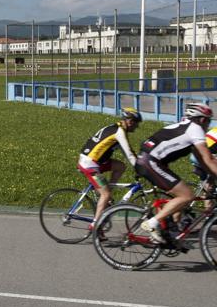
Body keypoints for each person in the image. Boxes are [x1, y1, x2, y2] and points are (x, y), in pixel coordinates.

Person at [136, 103, 217, 243]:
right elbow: (209, 159)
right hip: (150, 162)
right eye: (209, 121)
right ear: (202, 120)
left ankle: (169, 232)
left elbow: (203, 160)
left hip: (150, 161)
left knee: (182, 193)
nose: (208, 125)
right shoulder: (195, 129)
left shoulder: (187, 127)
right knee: (187, 195)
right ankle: (152, 223)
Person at [78, 107, 142, 232]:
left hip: (94, 160)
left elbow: (127, 153)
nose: (137, 127)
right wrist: (140, 169)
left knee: (120, 166)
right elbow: (129, 153)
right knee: (105, 193)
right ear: (130, 122)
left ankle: (107, 195)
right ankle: (95, 226)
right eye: (136, 124)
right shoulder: (119, 132)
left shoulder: (115, 127)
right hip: (89, 164)